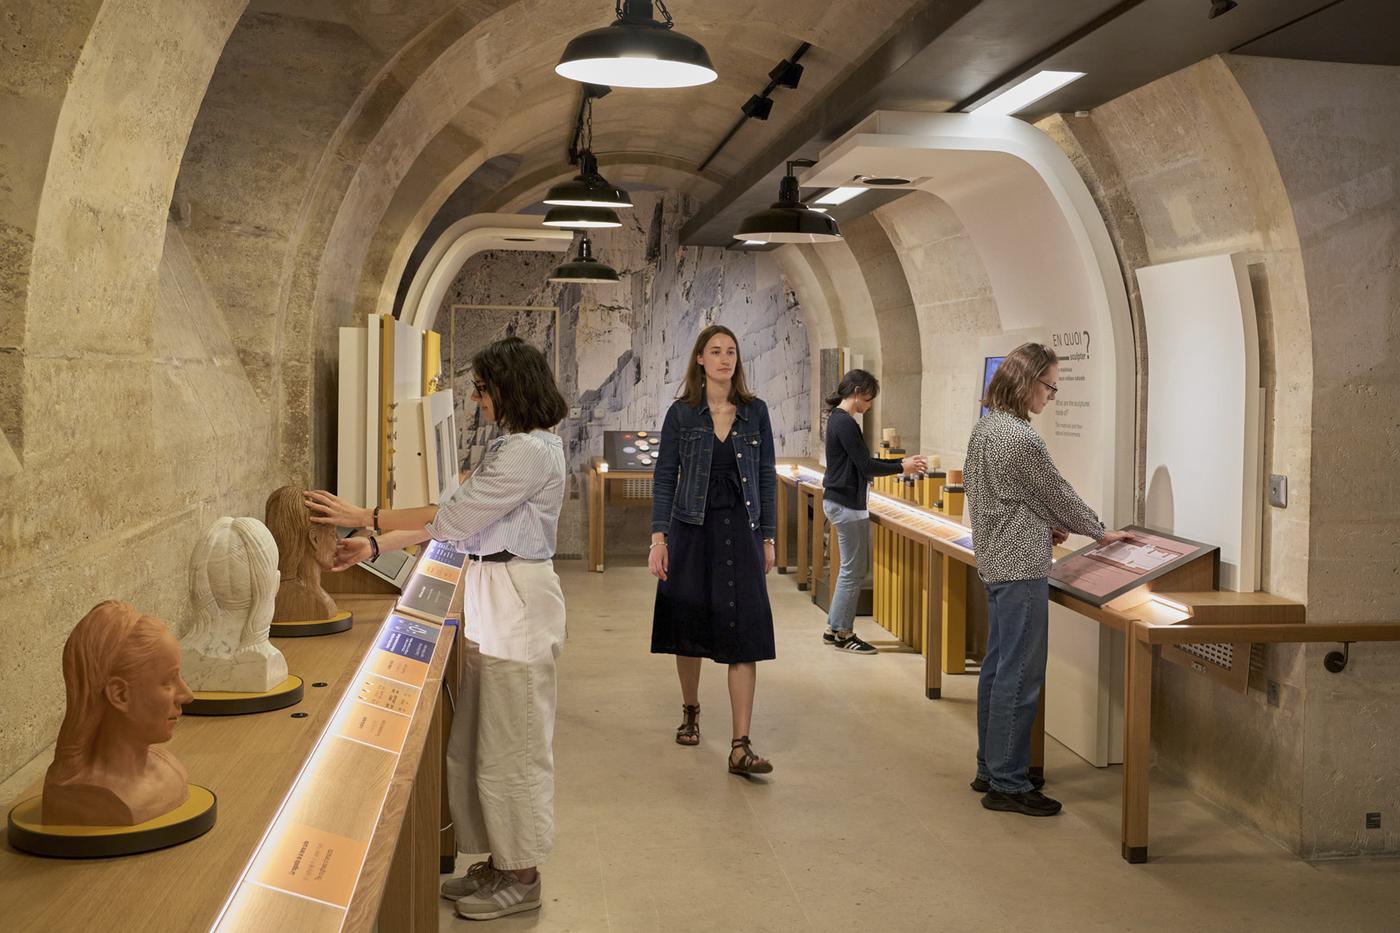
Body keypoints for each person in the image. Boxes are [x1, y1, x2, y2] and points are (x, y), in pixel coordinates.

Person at [305, 336, 568, 921]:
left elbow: (453, 519)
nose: (477, 401)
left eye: (481, 389)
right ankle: (503, 862)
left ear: (508, 389)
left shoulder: (529, 453)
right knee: (484, 741)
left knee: (513, 748)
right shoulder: (516, 447)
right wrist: (374, 542)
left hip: (518, 606)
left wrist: (365, 517)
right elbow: (455, 520)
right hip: (496, 597)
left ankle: (523, 876)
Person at [964, 342, 1132, 817]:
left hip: (996, 560)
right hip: (1021, 568)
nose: (1052, 396)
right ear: (1027, 381)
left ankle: (989, 766)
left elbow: (1010, 495)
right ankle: (1009, 783)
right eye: (1050, 385)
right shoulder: (1020, 437)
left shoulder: (986, 428)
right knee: (1021, 674)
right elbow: (1055, 491)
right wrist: (1099, 531)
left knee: (997, 669)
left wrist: (1042, 522)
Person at [649, 324, 778, 776]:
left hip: (740, 530)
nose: (726, 359)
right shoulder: (682, 415)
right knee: (689, 622)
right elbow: (665, 476)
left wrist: (767, 535)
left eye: (732, 352)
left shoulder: (755, 412)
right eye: (716, 351)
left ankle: (740, 745)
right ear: (700, 359)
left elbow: (765, 475)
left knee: (745, 631)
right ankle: (691, 710)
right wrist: (658, 539)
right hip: (691, 530)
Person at [821, 370, 927, 653]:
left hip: (840, 500)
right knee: (853, 571)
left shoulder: (839, 419)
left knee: (851, 569)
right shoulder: (845, 422)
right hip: (846, 504)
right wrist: (901, 466)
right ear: (857, 391)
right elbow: (865, 466)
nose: (869, 406)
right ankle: (843, 632)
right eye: (868, 400)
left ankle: (834, 627)